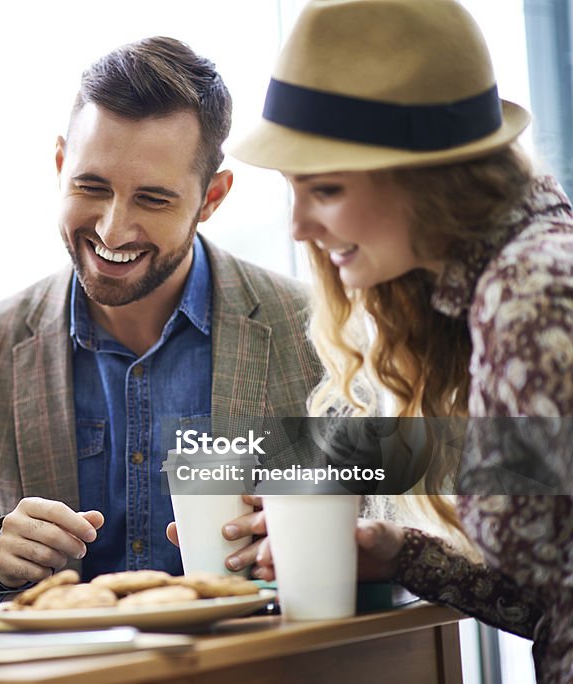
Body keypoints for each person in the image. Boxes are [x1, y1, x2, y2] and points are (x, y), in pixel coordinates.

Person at [231, 1, 573, 681]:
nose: (298, 225)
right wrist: (400, 553)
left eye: (324, 189)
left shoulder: (528, 293)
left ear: (431, 180)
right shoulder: (504, 280)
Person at [0, 36, 323, 589]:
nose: (112, 229)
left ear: (212, 198)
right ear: (60, 164)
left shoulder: (312, 333)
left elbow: (388, 521)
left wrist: (308, 535)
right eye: (90, 186)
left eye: (153, 199)